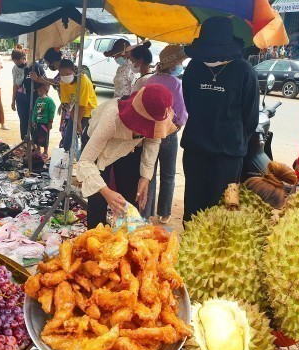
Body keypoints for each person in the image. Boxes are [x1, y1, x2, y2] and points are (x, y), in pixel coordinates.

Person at [181, 16, 260, 222]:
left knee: (222, 207)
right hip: (196, 150)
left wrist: (232, 137)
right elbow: (189, 103)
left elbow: (250, 117)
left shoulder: (244, 70)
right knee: (194, 205)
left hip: (228, 155)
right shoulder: (193, 67)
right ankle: (191, 248)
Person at [77, 84, 176, 229]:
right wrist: (106, 192)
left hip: (131, 148)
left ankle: (127, 237)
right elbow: (85, 162)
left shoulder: (156, 119)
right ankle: (95, 236)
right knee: (98, 200)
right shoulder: (111, 118)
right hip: (100, 145)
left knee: (131, 197)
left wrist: (145, 177)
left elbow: (153, 140)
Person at [142, 45, 189, 223]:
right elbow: (182, 114)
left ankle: (146, 212)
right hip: (168, 132)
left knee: (149, 173)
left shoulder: (150, 80)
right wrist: (176, 127)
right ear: (173, 64)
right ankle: (165, 213)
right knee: (168, 175)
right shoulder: (176, 83)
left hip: (150, 131)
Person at [58, 59, 97, 154]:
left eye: (67, 73)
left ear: (73, 71)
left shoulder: (83, 81)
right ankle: (66, 159)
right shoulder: (62, 82)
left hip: (88, 111)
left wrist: (78, 122)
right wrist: (74, 119)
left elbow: (82, 105)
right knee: (68, 139)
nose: (65, 77)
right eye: (62, 74)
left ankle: (83, 161)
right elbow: (67, 103)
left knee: (84, 138)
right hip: (74, 110)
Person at [11, 49, 45, 141]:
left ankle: (35, 143)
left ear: (23, 58)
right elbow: (15, 85)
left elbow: (46, 82)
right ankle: (24, 141)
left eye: (18, 61)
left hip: (34, 96)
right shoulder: (15, 69)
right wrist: (13, 100)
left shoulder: (35, 67)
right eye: (15, 61)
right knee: (23, 121)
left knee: (35, 120)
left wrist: (43, 98)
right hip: (21, 97)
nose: (17, 63)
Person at [31, 82, 56, 157]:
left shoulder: (49, 101)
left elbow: (52, 111)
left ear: (46, 90)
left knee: (44, 138)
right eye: (38, 91)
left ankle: (45, 152)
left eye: (40, 91)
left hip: (45, 123)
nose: (39, 93)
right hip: (38, 122)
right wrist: (33, 120)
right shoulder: (38, 100)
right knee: (36, 137)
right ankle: (38, 150)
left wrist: (50, 122)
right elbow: (35, 111)